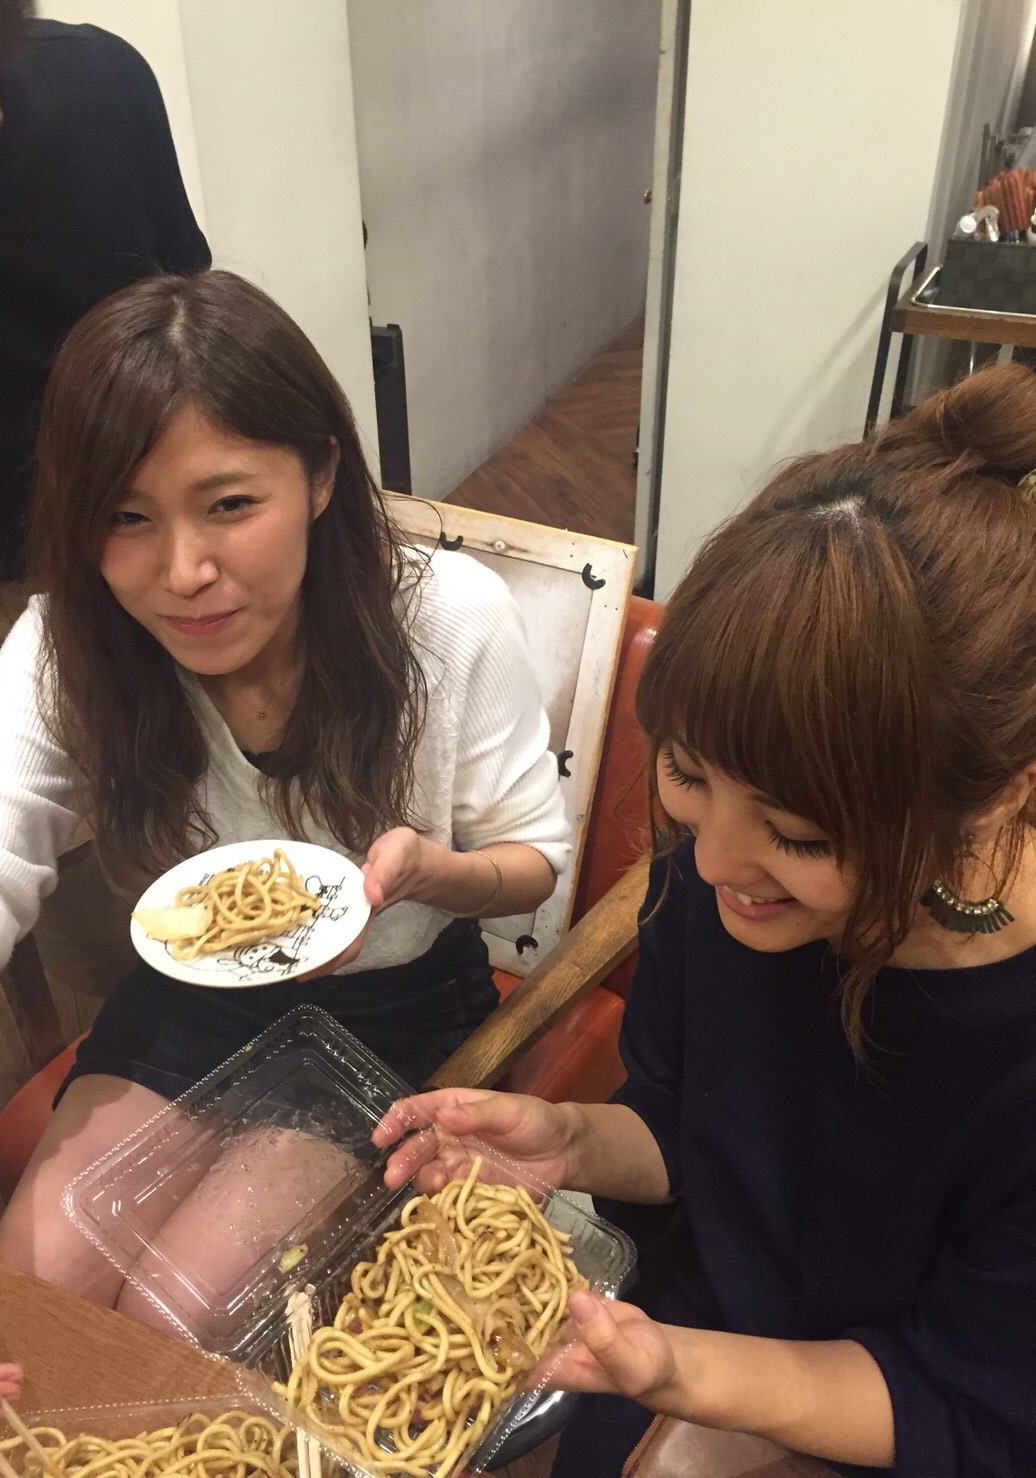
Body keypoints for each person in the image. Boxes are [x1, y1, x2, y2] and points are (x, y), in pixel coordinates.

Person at [377, 362, 1036, 1476]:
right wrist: (572, 1139)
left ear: (999, 794)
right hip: (694, 1315)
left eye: (801, 834)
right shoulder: (721, 876)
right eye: (686, 773)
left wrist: (685, 1375)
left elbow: (965, 1399)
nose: (716, 863)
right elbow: (696, 1127)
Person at [0, 271, 570, 1413]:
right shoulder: (70, 641)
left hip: (393, 1009)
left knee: (173, 1319)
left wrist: (435, 873)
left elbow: (532, 858)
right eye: (126, 517)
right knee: (23, 1304)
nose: (183, 572)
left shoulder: (446, 617)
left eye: (228, 504)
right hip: (189, 1002)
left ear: (320, 473)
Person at [0, 0, 210, 756]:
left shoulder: (100, 81)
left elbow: (189, 310)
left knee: (224, 786)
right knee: (49, 824)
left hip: (169, 541)